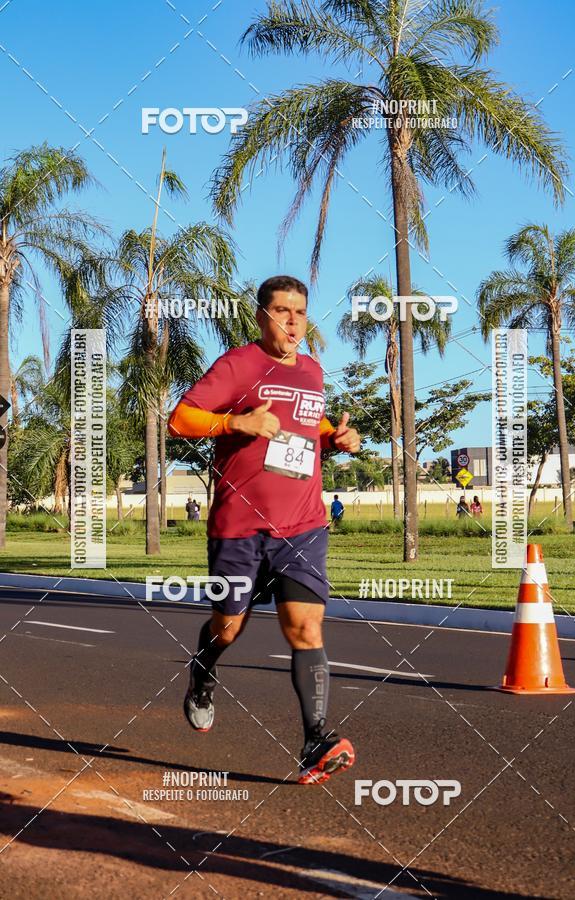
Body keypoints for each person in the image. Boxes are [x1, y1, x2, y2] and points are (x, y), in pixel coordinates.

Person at [168, 275, 361, 785]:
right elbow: (180, 418)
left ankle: (315, 739)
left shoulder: (314, 372)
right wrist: (236, 425)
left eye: (300, 311)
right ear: (262, 317)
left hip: (302, 525)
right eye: (282, 311)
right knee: (228, 627)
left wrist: (337, 438)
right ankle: (202, 673)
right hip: (238, 527)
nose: (293, 321)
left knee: (305, 628)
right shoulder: (238, 365)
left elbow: (308, 427)